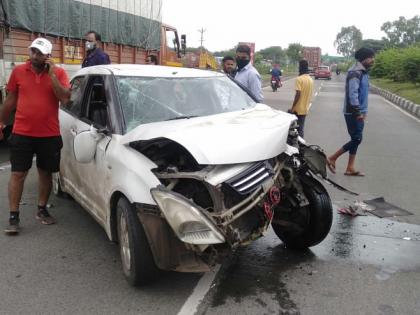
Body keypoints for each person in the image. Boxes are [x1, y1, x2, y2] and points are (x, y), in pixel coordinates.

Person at [0, 38, 71, 234]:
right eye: (33, 52)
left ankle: (42, 209)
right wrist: (1, 121)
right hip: (22, 132)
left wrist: (52, 76)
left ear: (48, 56)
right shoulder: (19, 72)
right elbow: (11, 100)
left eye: (39, 53)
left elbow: (65, 98)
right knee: (18, 173)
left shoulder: (59, 73)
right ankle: (13, 216)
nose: (34, 56)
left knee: (45, 173)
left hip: (49, 134)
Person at [327, 47, 375, 176]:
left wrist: (363, 111)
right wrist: (358, 112)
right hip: (353, 112)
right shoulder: (356, 72)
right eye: (371, 58)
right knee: (357, 139)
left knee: (355, 138)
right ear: (364, 58)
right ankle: (333, 158)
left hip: (360, 111)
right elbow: (352, 94)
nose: (372, 60)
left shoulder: (363, 72)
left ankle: (350, 168)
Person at [288, 60, 313, 138]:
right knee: (301, 129)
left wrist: (292, 108)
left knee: (290, 128)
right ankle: (301, 146)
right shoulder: (310, 79)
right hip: (305, 109)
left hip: (297, 110)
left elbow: (298, 94)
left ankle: (294, 145)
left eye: (299, 66)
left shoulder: (299, 79)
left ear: (301, 67)